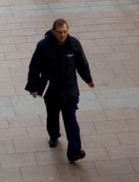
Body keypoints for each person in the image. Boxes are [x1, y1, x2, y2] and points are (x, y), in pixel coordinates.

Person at [25, 18, 95, 162]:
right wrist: (33, 87)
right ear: (53, 31)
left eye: (65, 32)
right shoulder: (43, 46)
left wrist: (88, 79)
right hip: (51, 91)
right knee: (52, 115)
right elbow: (34, 67)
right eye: (59, 32)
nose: (63, 35)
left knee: (71, 120)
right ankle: (54, 135)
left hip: (69, 92)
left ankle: (74, 151)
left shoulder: (74, 44)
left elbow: (82, 63)